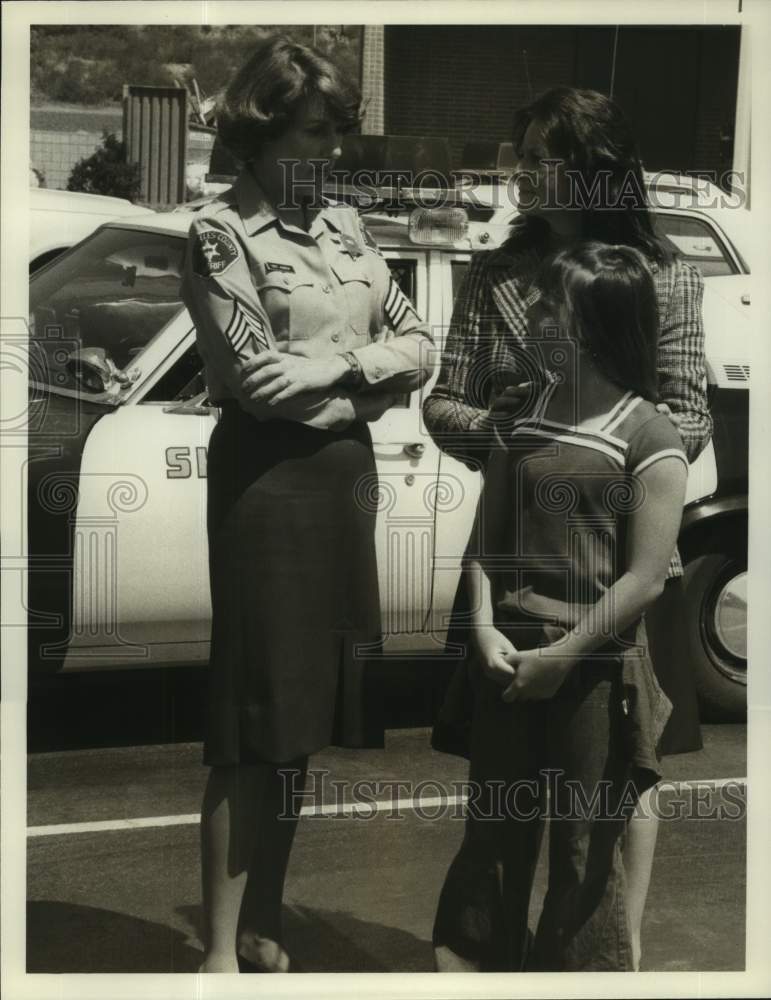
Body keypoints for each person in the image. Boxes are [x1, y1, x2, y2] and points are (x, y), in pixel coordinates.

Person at [424, 87, 711, 970]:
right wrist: (503, 429)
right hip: (515, 551)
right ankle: (497, 954)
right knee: (505, 777)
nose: (524, 174)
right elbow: (442, 404)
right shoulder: (495, 274)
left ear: (594, 167)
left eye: (544, 156)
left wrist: (601, 438)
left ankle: (608, 949)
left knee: (621, 770)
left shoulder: (661, 275)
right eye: (521, 154)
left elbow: (688, 413)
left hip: (618, 548)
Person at [180, 35, 434, 973]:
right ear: (262, 126)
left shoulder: (350, 232)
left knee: (299, 725)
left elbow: (419, 345)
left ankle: (266, 922)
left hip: (340, 481)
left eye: (337, 133)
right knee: (252, 721)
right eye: (315, 132)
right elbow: (256, 381)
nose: (331, 152)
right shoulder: (218, 234)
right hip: (268, 484)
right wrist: (369, 380)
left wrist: (339, 369)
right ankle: (215, 955)